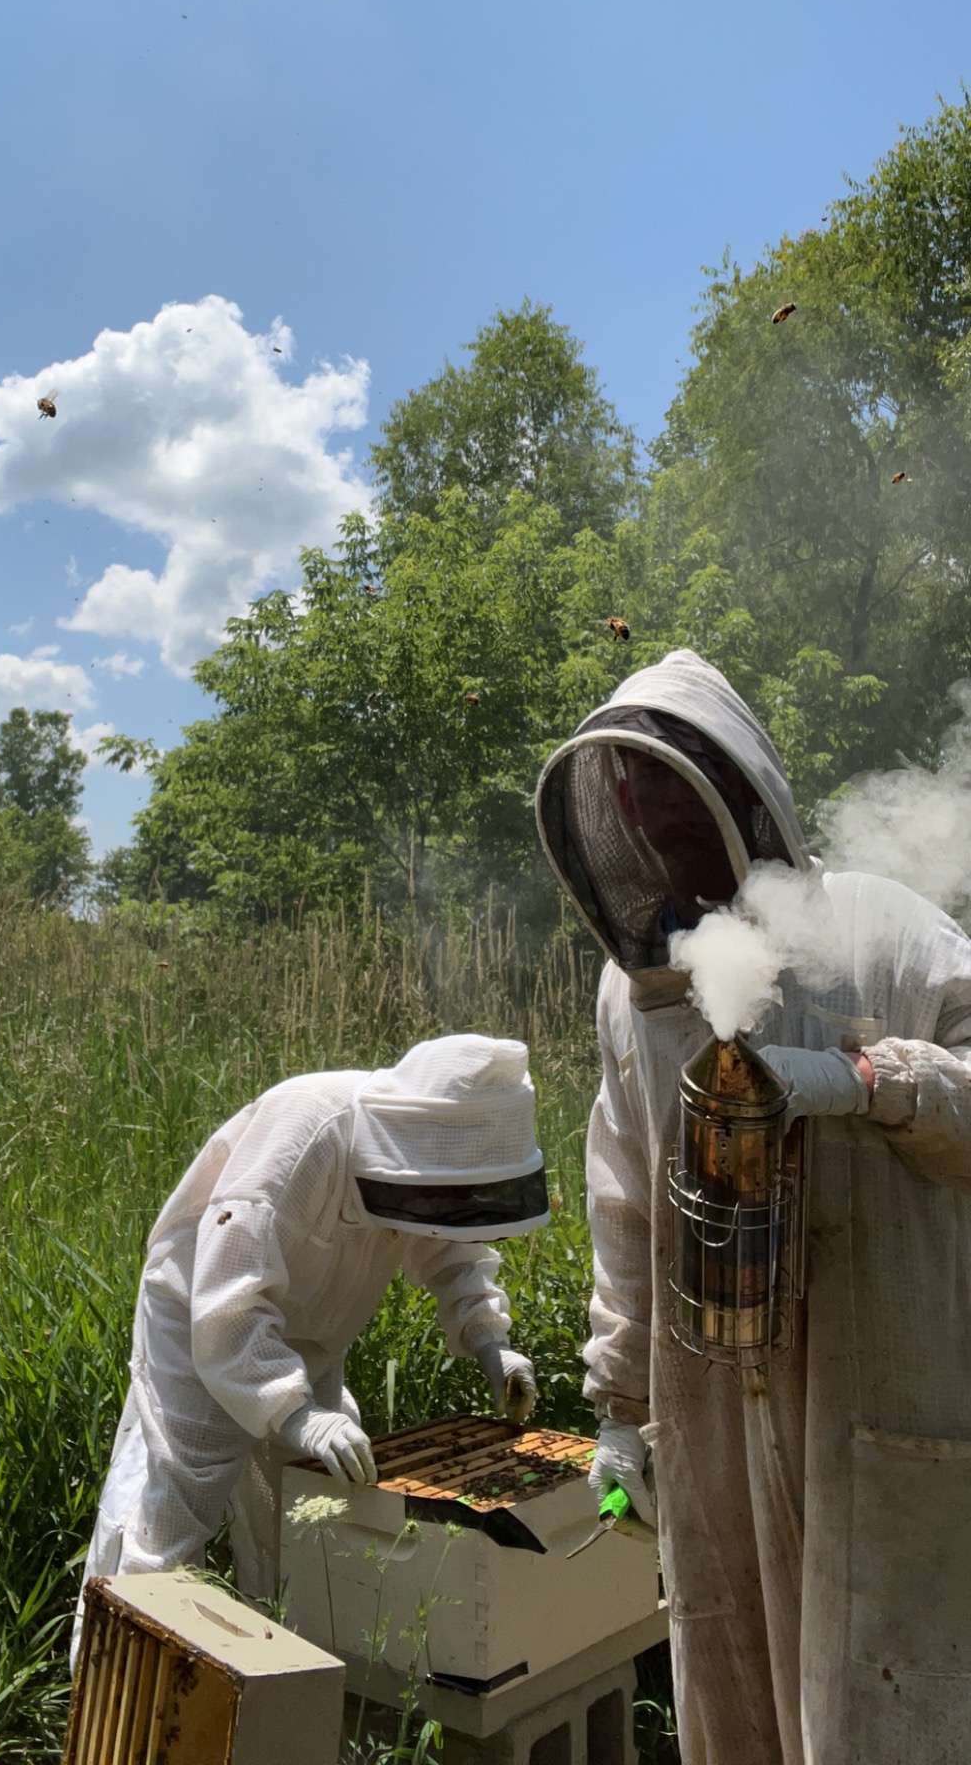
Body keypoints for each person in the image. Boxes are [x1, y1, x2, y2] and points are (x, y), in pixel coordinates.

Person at [535, 648, 971, 1765]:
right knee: (734, 1698)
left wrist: (873, 1083)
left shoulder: (885, 931)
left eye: (685, 789)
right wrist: (618, 1408)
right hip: (712, 1415)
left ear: (745, 788)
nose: (664, 822)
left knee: (888, 1704)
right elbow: (625, 1202)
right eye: (639, 798)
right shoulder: (633, 993)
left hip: (879, 1388)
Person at [73, 1033, 547, 1664]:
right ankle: (124, 1683)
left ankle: (274, 1677)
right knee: (176, 1507)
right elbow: (228, 1299)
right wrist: (295, 1411)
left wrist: (491, 1344)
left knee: (298, 1513)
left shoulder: (423, 1159)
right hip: (203, 1323)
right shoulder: (304, 1134)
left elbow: (452, 1245)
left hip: (309, 1342)